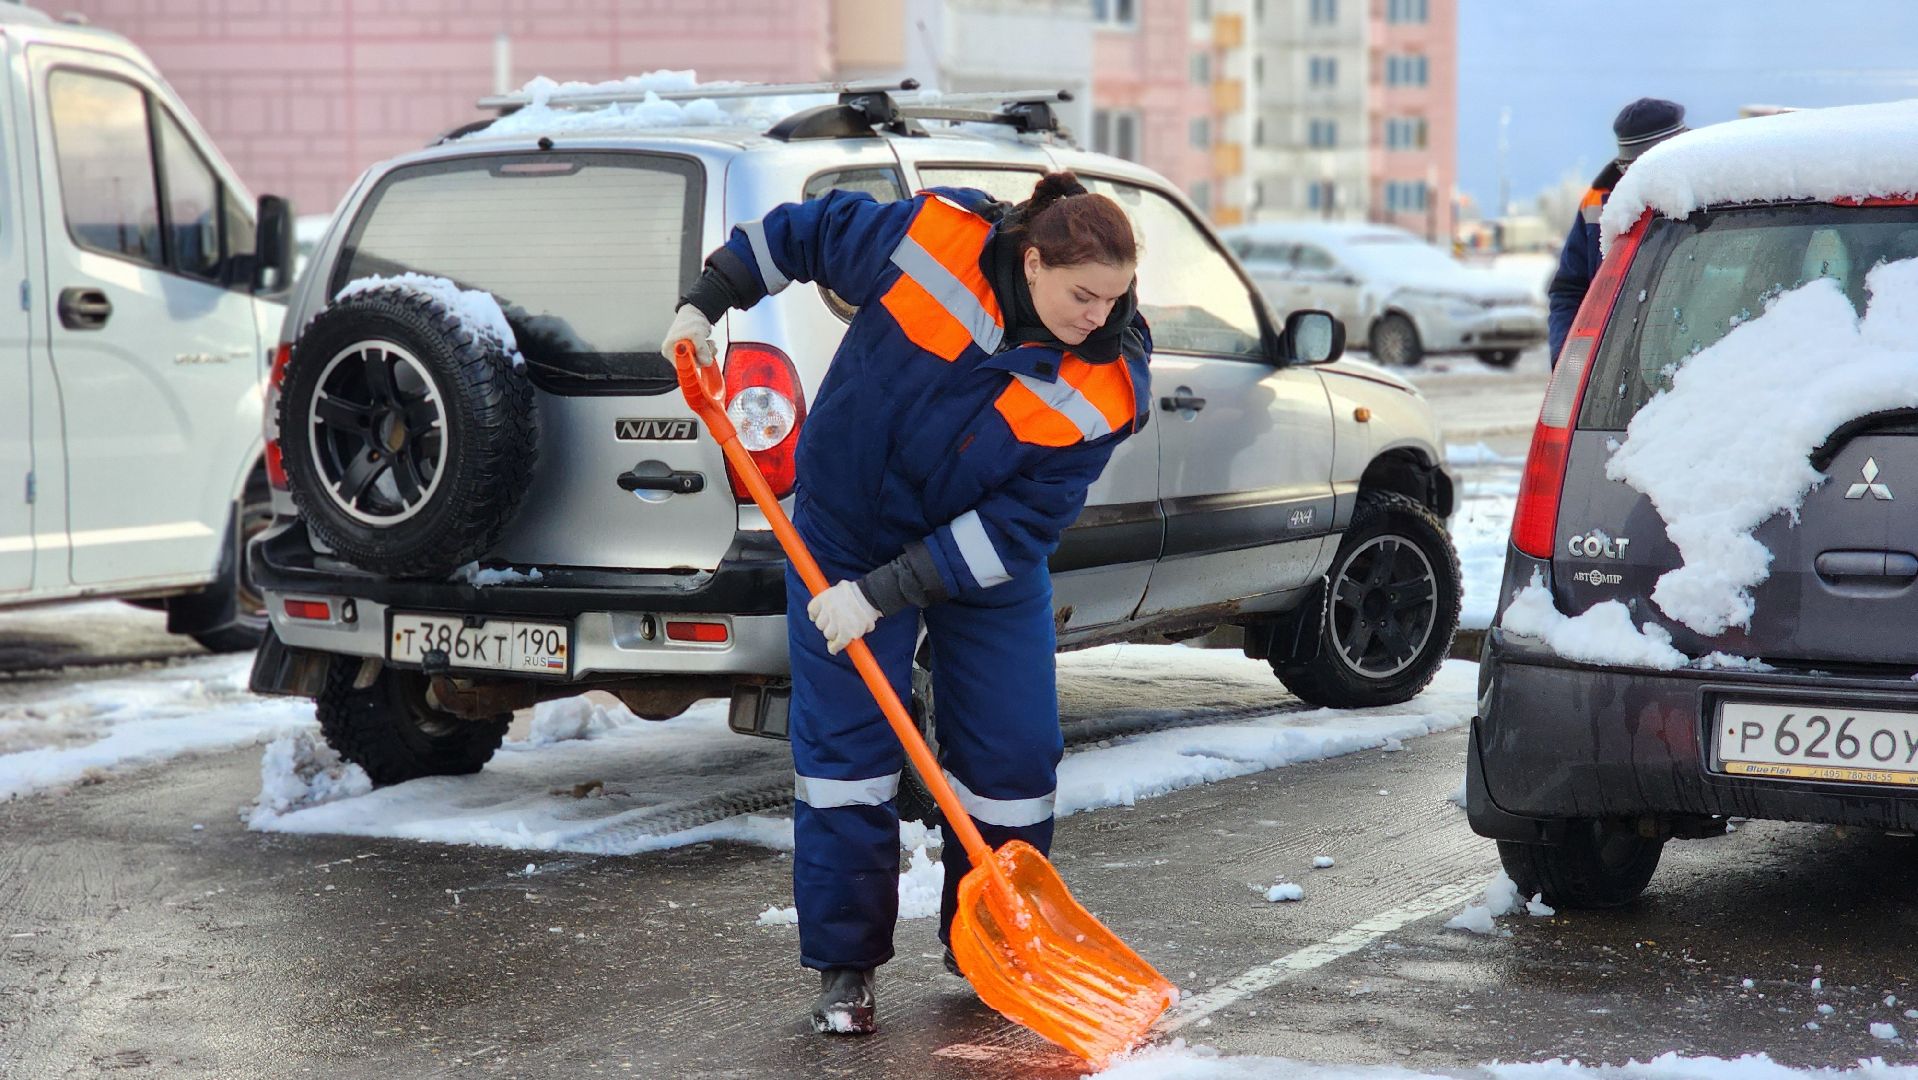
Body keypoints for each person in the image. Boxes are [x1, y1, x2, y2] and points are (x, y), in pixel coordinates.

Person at [661, 172, 1151, 1035]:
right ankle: (846, 966)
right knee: (845, 759)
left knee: (1015, 756)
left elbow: (1015, 528)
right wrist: (707, 303)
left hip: (982, 561)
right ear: (1032, 262)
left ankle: (993, 938)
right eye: (1083, 295)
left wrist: (879, 598)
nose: (1098, 317)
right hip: (846, 526)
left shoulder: (1106, 387)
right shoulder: (935, 238)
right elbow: (803, 233)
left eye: (1114, 298)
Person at [1547, 97, 1688, 364]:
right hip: (1612, 370)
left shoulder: (1715, 194)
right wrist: (1567, 359)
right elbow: (1569, 290)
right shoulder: (1598, 201)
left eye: (1651, 168)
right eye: (1630, 169)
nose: (1637, 179)